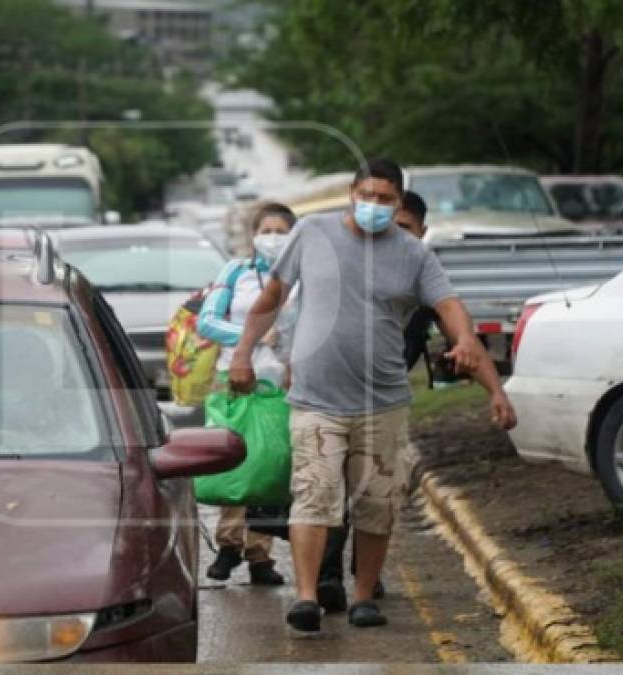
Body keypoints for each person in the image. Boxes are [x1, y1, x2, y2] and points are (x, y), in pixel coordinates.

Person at [228, 157, 517, 634]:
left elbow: (449, 305)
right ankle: (305, 598)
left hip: (382, 402)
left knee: (377, 503)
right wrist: (242, 353)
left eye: (386, 199)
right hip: (316, 398)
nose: (375, 206)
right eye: (368, 196)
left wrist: (464, 339)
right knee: (313, 498)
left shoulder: (413, 254)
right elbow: (272, 297)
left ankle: (364, 596)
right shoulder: (313, 234)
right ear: (351, 192)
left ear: (399, 202)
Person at [314, 190, 516, 613]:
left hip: (384, 403)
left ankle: (364, 579)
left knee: (375, 494)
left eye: (404, 228)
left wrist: (497, 393)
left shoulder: (422, 275)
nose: (393, 236)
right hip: (330, 397)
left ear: (421, 232)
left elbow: (463, 335)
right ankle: (326, 576)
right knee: (329, 489)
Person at [198, 202, 297, 586]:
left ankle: (260, 554)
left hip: (280, 385)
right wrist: (250, 337)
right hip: (234, 380)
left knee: (270, 466)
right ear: (254, 234)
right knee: (234, 463)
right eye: (266, 229)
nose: (273, 237)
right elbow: (208, 321)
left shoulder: (301, 276)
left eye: (281, 230)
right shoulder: (234, 272)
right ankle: (228, 545)